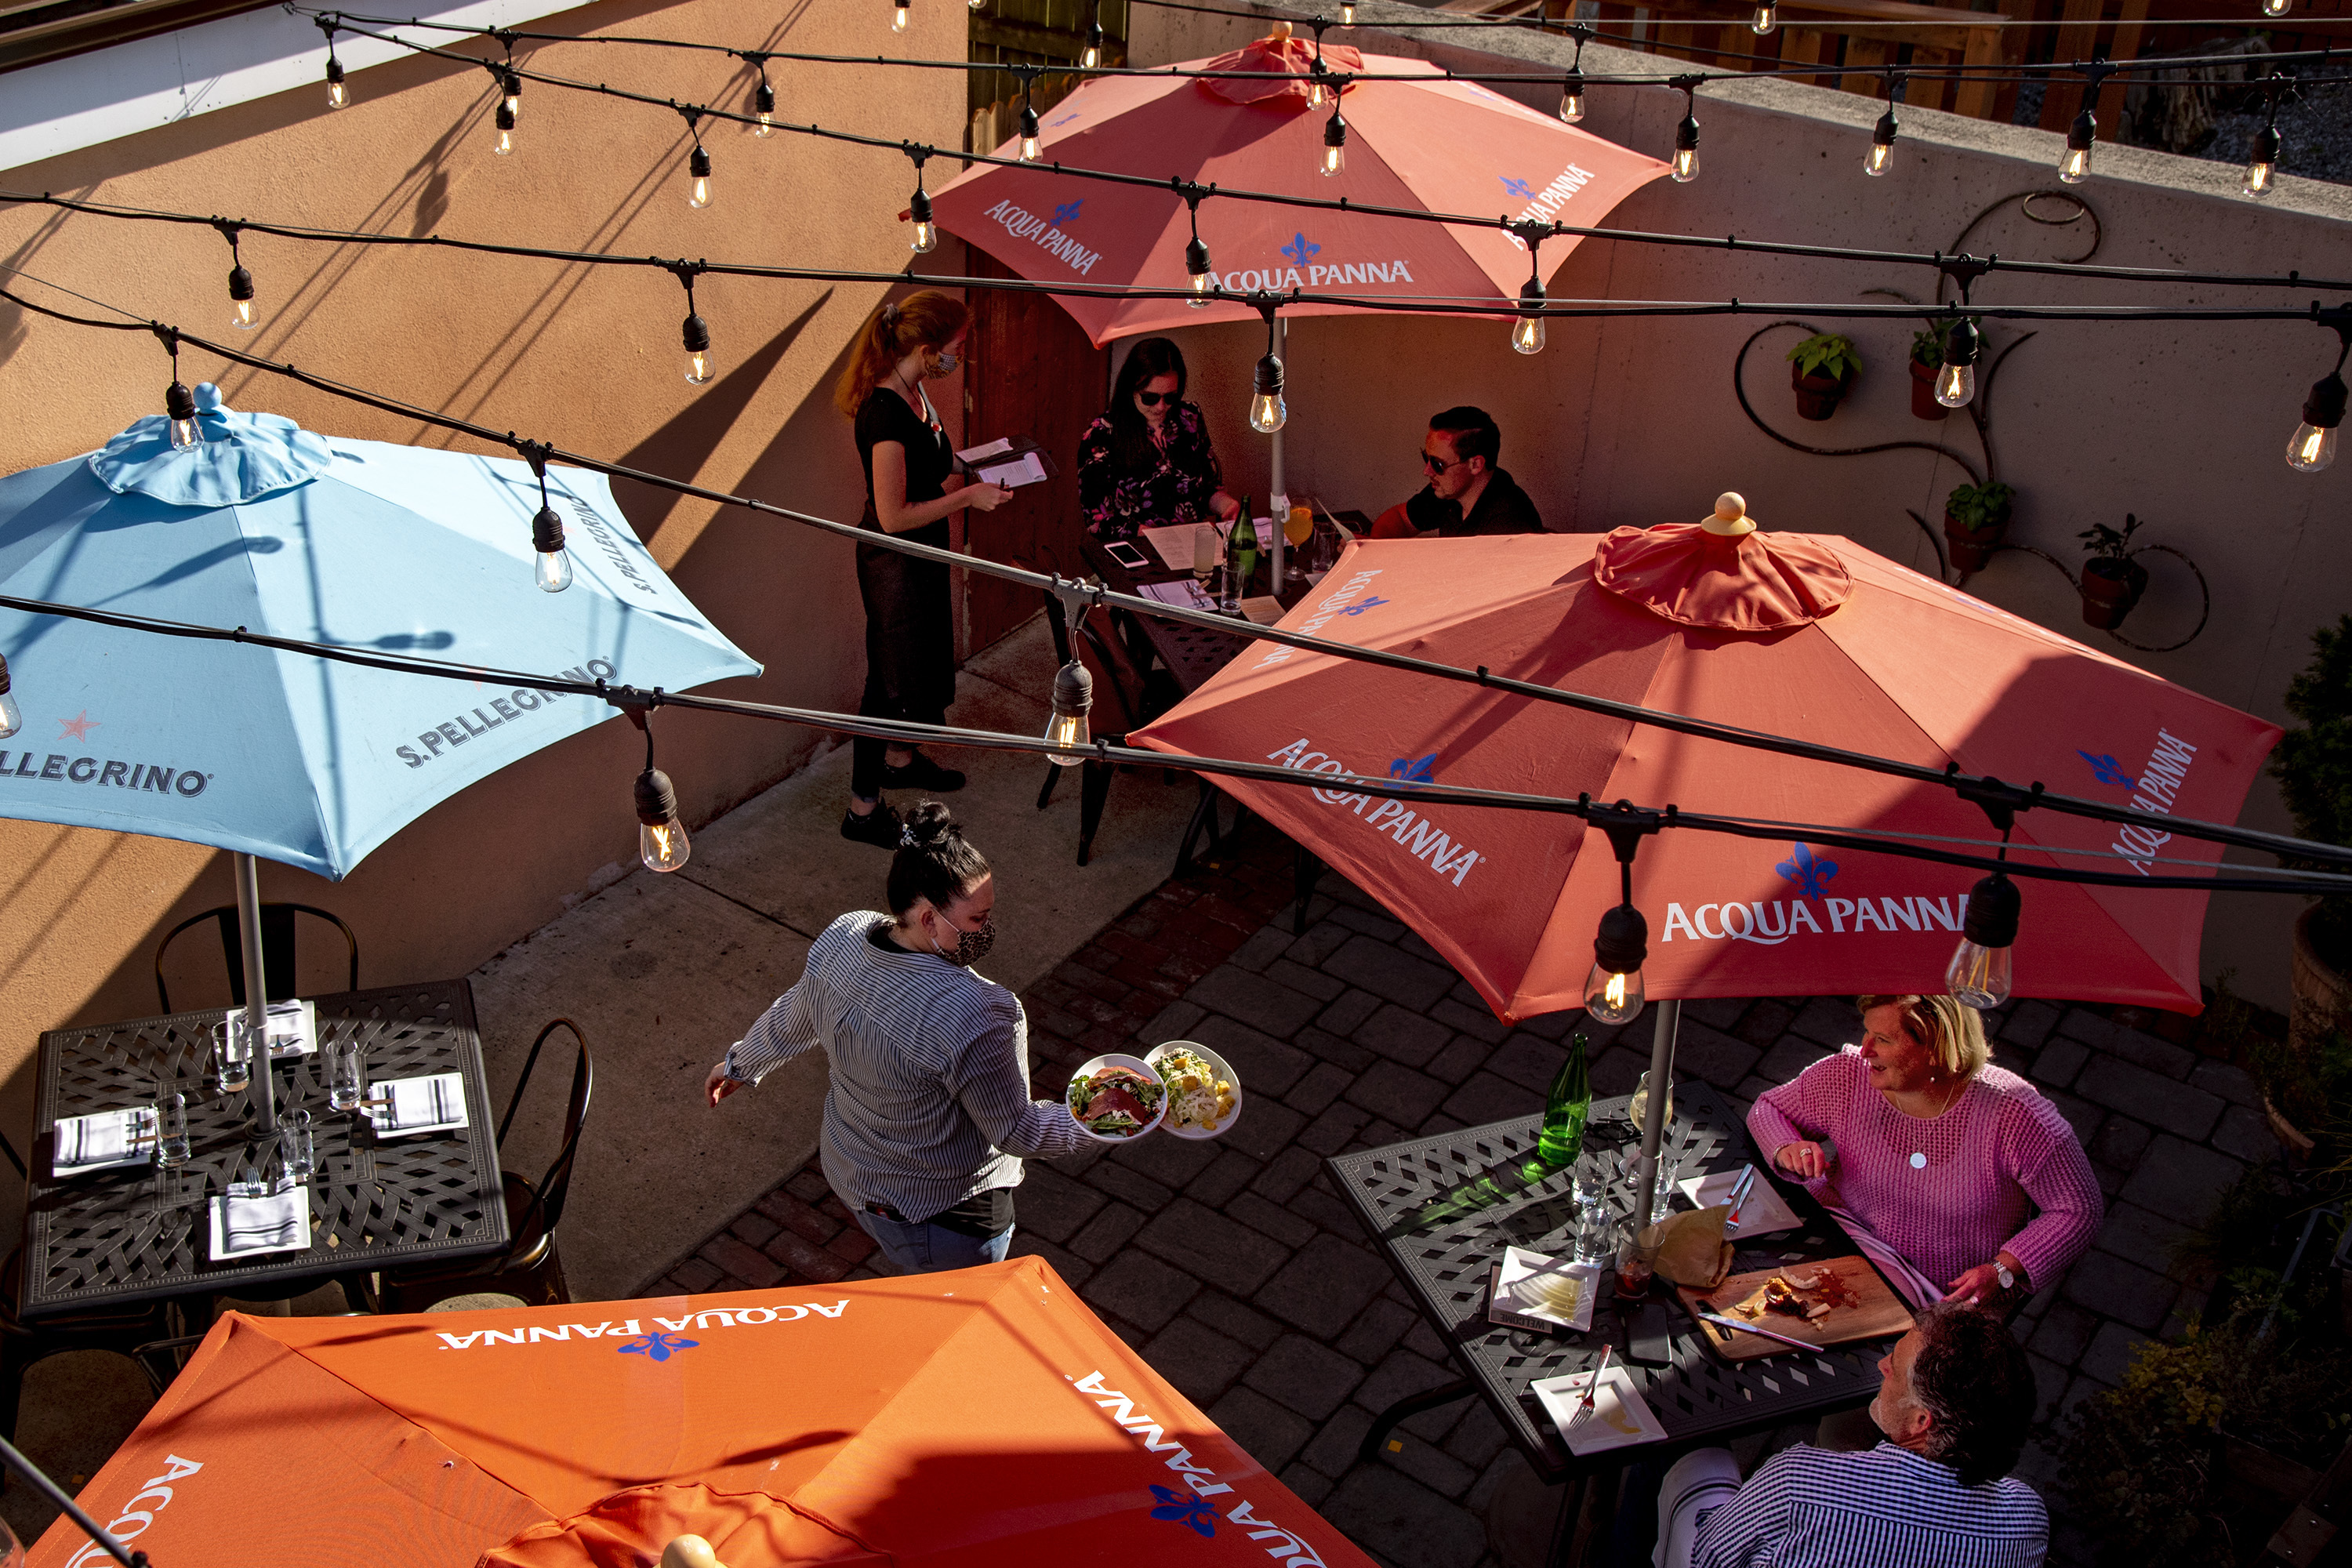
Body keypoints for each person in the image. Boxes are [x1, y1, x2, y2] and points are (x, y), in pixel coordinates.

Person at [705, 803, 1086, 1273]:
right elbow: (1016, 1132)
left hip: (854, 1174)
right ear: (928, 919)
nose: (987, 931)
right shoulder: (982, 1014)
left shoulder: (845, 935)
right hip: (944, 1218)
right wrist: (1109, 1116)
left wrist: (742, 1064)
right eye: (977, 921)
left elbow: (796, 1014)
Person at [1748, 993, 2102, 1312]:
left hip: (1945, 1293)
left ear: (1936, 1048)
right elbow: (1768, 1110)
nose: (1865, 1049)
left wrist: (2003, 1270)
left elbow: (2078, 1211)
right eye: (1867, 1032)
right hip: (1838, 1236)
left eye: (1883, 1040)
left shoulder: (2016, 1115)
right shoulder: (1847, 1075)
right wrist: (1787, 1148)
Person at [1650, 1303, 2049, 1568]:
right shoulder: (2028, 1520)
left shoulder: (1799, 1483)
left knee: (1699, 1455)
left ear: (1921, 1423)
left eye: (1895, 1364)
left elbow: (1709, 1556)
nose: (1881, 1365)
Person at [833, 291, 1012, 850]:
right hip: (896, 565)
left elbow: (932, 457)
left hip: (925, 552)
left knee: (919, 665)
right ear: (930, 349)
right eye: (958, 346)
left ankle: (900, 758)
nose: (963, 354)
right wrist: (967, 499)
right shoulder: (884, 414)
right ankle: (863, 810)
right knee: (886, 682)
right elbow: (892, 516)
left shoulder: (915, 389)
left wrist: (984, 463)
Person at [1076, 336, 1240, 545]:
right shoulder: (1101, 433)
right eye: (1150, 398)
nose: (1161, 407)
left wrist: (1226, 505)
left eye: (1170, 397)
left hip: (1190, 547)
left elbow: (1207, 486)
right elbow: (1096, 520)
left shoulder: (1189, 417)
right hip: (1137, 552)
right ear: (1131, 389)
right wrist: (1145, 533)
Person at [1367, 406, 1544, 539]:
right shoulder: (1450, 491)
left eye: (1437, 464)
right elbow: (1400, 519)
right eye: (1426, 458)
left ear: (1475, 465)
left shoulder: (1508, 523)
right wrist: (1372, 548)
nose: (1427, 471)